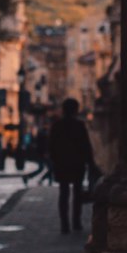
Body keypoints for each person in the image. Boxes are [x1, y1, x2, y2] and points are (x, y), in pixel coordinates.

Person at [48, 97, 95, 233]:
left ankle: (65, 224)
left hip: (62, 163)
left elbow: (52, 145)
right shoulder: (79, 125)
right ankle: (76, 222)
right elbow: (86, 146)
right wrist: (90, 163)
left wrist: (54, 161)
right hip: (77, 163)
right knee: (77, 193)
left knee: (64, 193)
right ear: (76, 110)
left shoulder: (57, 125)